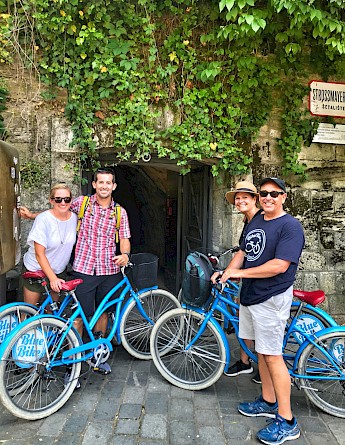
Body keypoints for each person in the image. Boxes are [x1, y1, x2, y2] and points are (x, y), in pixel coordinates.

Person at [218, 177, 304, 445]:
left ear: (284, 197)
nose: (268, 197)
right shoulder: (257, 221)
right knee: (261, 352)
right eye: (264, 193)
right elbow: (244, 251)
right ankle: (268, 401)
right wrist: (228, 272)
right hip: (251, 296)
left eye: (274, 194)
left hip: (271, 296)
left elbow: (280, 265)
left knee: (273, 355)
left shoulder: (290, 226)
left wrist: (240, 273)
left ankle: (287, 421)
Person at [21, 168, 131, 375]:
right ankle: (74, 360)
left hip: (108, 270)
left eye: (109, 183)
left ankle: (98, 355)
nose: (104, 186)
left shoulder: (120, 212)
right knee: (78, 317)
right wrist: (32, 216)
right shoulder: (82, 203)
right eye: (101, 182)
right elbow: (58, 212)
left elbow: (124, 239)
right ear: (95, 185)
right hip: (84, 269)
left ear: (114, 186)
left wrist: (125, 255)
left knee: (103, 311)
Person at [222, 181, 262, 383]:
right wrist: (229, 271)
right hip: (248, 279)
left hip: (261, 282)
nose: (240, 201)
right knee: (241, 316)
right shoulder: (248, 221)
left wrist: (232, 272)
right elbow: (243, 251)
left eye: (245, 197)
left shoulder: (263, 220)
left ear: (255, 199)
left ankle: (266, 369)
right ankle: (245, 362)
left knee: (259, 324)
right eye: (237, 198)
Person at [20, 183, 77, 305]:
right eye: (58, 199)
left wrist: (55, 277)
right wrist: (53, 278)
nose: (63, 203)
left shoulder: (74, 218)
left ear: (71, 200)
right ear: (51, 201)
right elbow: (39, 254)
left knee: (52, 311)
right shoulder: (43, 220)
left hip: (58, 269)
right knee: (31, 311)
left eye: (66, 199)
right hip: (37, 269)